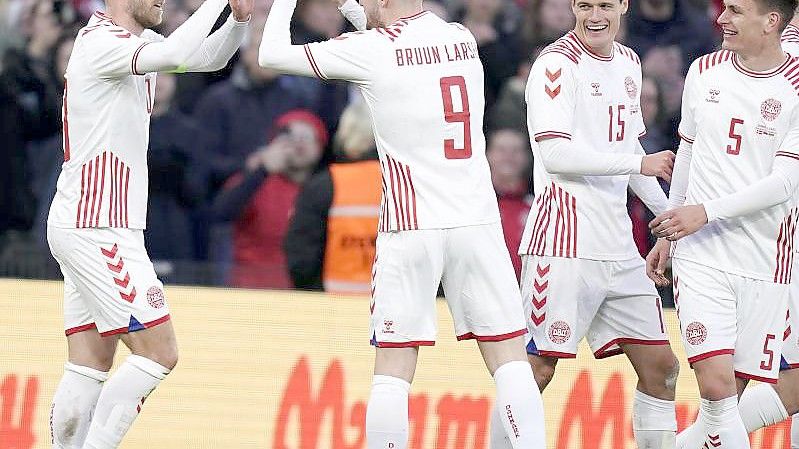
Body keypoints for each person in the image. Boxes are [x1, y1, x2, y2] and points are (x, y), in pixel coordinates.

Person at [258, 0, 547, 446]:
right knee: (509, 359)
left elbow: (271, 53)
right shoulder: (460, 38)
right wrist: (355, 11)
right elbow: (395, 39)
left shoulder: (371, 49)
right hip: (476, 220)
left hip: (412, 225)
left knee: (393, 370)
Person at [45, 0, 251, 447]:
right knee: (160, 353)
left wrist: (237, 20)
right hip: (97, 223)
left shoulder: (139, 43)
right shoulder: (101, 43)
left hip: (90, 222)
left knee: (89, 363)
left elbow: (205, 57)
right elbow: (178, 53)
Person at [509, 0, 682, 447]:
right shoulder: (556, 65)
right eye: (584, 5)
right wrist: (638, 163)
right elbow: (555, 155)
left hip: (619, 246)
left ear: (623, 5)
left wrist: (665, 218)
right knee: (538, 368)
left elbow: (626, 147)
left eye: (605, 4)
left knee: (662, 369)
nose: (595, 16)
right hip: (563, 241)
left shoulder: (628, 62)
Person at [646, 0, 799, 445]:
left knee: (734, 399)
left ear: (771, 21)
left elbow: (785, 184)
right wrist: (672, 230)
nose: (721, 19)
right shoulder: (704, 71)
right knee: (716, 388)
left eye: (734, 10)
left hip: (766, 260)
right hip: (702, 251)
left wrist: (705, 211)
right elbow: (688, 152)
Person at [212, 109, 327, 289]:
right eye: (290, 137)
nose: (298, 144)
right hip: (252, 289)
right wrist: (262, 171)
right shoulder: (255, 180)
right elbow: (222, 213)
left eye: (307, 137)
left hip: (304, 291)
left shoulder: (325, 188)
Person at [284, 100, 381, 293]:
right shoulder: (407, 184)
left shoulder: (323, 186)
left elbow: (301, 258)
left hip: (333, 314)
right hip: (396, 315)